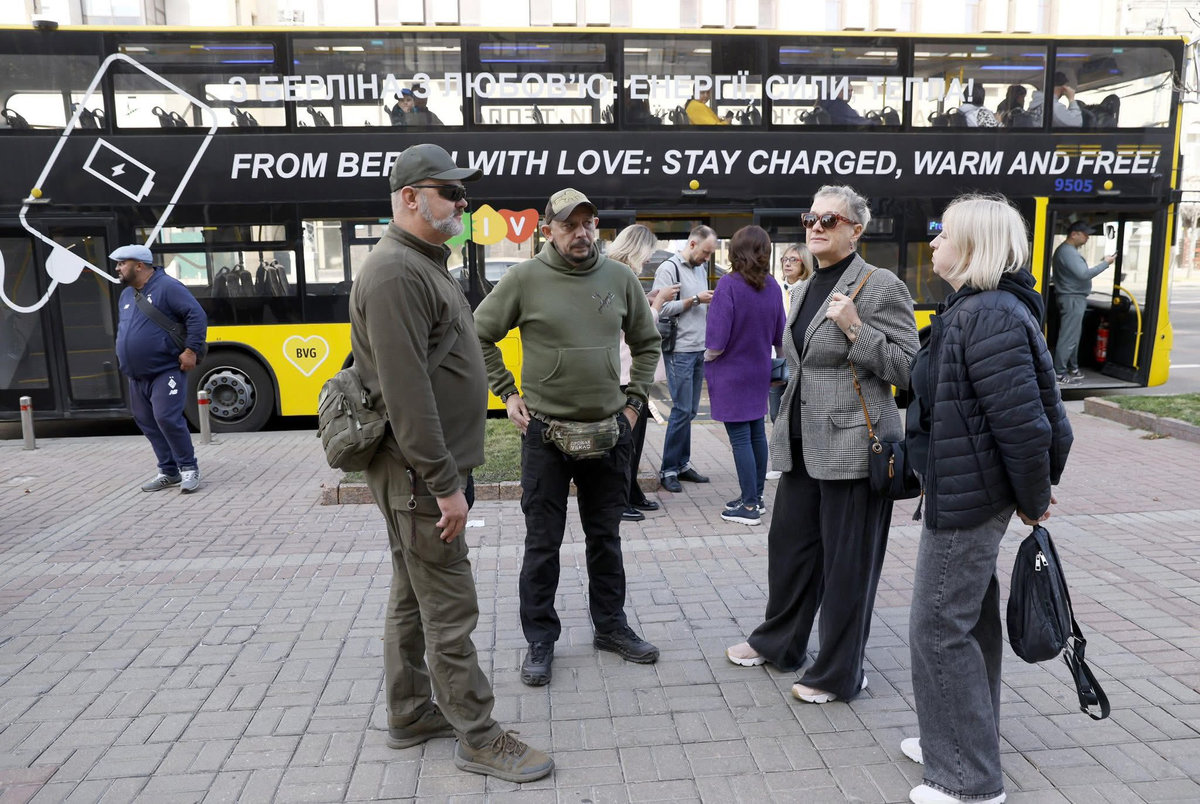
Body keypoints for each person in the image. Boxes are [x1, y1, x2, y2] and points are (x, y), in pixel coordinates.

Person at [350, 143, 552, 783]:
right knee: (449, 604)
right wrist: (444, 486)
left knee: (413, 594)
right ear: (410, 197)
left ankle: (411, 713)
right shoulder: (394, 274)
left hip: (424, 471)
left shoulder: (421, 263)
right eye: (451, 192)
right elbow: (406, 392)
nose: (463, 202)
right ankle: (478, 734)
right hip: (420, 474)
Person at [901, 194, 1073, 804]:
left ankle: (968, 779)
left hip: (974, 495)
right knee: (967, 620)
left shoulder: (989, 314)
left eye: (943, 234)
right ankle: (952, 736)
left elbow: (1026, 425)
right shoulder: (977, 308)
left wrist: (1035, 500)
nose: (933, 243)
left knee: (938, 628)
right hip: (964, 486)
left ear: (972, 247)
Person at [723, 185, 918, 704]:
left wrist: (857, 331)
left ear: (856, 229)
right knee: (789, 550)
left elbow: (911, 370)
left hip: (855, 448)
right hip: (802, 442)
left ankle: (839, 671)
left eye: (830, 219)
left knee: (846, 566)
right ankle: (781, 642)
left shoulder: (880, 286)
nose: (816, 225)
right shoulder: (806, 286)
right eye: (810, 215)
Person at [475, 187, 662, 688]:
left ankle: (611, 628)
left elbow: (647, 344)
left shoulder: (620, 278)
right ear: (548, 230)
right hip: (545, 436)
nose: (581, 233)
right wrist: (507, 395)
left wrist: (633, 404)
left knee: (606, 538)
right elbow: (479, 333)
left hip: (609, 432)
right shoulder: (523, 279)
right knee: (543, 544)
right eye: (568, 225)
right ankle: (540, 638)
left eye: (588, 223)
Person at [704, 226, 786, 525]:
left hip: (731, 372)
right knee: (756, 434)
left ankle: (749, 506)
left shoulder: (729, 285)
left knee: (740, 439)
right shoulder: (773, 285)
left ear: (736, 251)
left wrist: (706, 357)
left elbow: (716, 340)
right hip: (759, 370)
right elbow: (780, 335)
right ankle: (757, 497)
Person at [111, 244, 208, 494]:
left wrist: (191, 350)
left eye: (122, 263)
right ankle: (168, 471)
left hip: (166, 369)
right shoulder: (126, 295)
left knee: (166, 417)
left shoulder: (168, 287)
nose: (118, 268)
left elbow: (196, 315)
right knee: (146, 421)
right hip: (137, 375)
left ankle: (188, 468)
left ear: (139, 265)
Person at [609, 224, 679, 522]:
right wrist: (659, 303)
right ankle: (619, 497)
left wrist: (648, 298)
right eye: (648, 251)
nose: (649, 257)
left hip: (630, 370)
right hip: (625, 370)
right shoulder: (619, 274)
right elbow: (633, 325)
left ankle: (631, 490)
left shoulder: (618, 273)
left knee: (634, 437)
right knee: (626, 438)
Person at [652, 225, 719, 492]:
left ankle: (682, 464)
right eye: (705, 252)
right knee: (680, 410)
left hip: (699, 347)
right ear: (692, 244)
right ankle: (668, 469)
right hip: (679, 348)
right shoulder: (669, 268)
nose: (707, 259)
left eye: (710, 254)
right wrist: (695, 300)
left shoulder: (700, 268)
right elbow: (661, 307)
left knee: (689, 411)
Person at [1051, 221, 1114, 383]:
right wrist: (1105, 263)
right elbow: (1084, 274)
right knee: (1068, 337)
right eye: (1085, 234)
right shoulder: (1068, 252)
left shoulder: (1067, 251)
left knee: (1073, 336)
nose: (1088, 237)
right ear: (1074, 234)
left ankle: (1073, 368)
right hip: (1072, 298)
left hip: (1073, 298)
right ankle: (1059, 373)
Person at [770, 243, 814, 424]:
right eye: (785, 259)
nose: (787, 263)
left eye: (793, 260)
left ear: (804, 263)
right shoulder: (774, 288)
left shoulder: (811, 289)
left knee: (798, 416)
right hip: (778, 359)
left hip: (802, 359)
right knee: (775, 414)